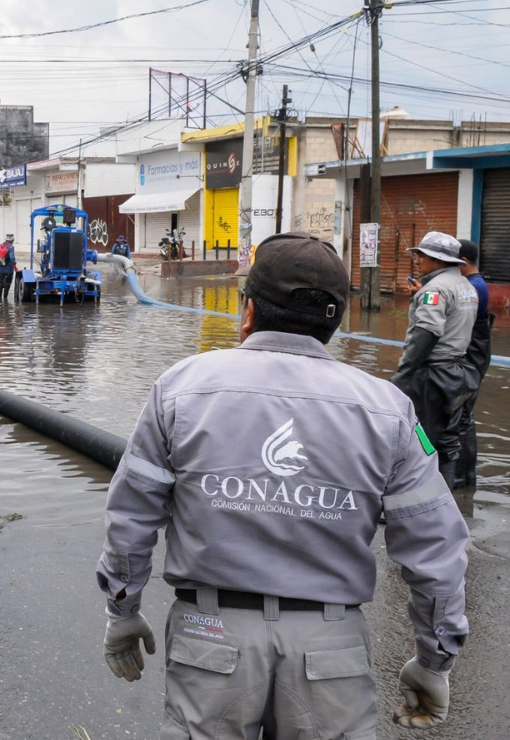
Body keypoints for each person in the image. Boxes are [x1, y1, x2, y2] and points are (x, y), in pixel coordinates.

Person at [98, 232, 469, 736]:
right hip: (331, 651)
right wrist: (435, 658)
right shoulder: (388, 410)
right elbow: (437, 550)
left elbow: (131, 518)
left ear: (247, 310)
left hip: (210, 639)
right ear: (335, 323)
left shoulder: (182, 387)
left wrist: (123, 609)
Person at [391, 232, 480, 486]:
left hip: (432, 374)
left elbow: (427, 333)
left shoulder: (436, 289)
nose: (417, 259)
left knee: (421, 441)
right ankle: (445, 501)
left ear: (439, 261)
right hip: (457, 372)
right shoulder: (466, 287)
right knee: (448, 441)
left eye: (423, 255)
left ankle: (421, 503)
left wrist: (403, 375)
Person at [455, 238, 494, 488]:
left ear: (464, 262)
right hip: (475, 356)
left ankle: (462, 475)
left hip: (473, 357)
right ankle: (464, 475)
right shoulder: (474, 284)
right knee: (463, 416)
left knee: (462, 417)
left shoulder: (474, 287)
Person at [0, 235, 17, 303]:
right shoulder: (11, 247)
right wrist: (14, 264)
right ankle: (5, 299)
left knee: (0, 283)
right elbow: (12, 257)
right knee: (7, 283)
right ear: (12, 240)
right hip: (9, 269)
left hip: (1, 268)